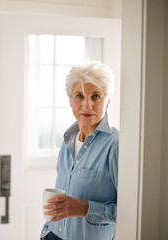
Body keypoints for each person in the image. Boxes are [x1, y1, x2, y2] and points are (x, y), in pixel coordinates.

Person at [40, 61, 119, 240]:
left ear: (107, 102)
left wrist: (85, 209)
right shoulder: (67, 140)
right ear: (70, 101)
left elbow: (131, 210)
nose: (87, 105)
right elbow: (60, 195)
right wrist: (46, 232)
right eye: (79, 96)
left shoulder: (116, 146)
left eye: (96, 96)